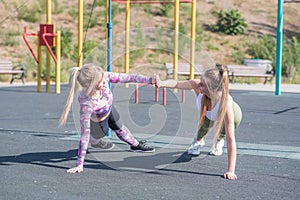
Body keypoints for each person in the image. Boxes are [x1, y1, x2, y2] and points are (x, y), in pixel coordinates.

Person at [60, 63, 156, 174]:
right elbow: (84, 135)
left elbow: (128, 77)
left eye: (104, 80)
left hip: (109, 110)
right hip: (98, 122)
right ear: (90, 86)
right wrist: (79, 164)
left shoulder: (102, 76)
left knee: (120, 128)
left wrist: (149, 80)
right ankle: (95, 142)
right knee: (98, 136)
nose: (105, 83)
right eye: (101, 83)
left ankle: (136, 145)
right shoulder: (87, 104)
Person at [155, 64, 242, 180]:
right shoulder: (198, 87)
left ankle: (218, 141)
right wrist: (162, 83)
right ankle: (199, 141)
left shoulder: (226, 106)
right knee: (204, 127)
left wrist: (231, 171)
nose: (199, 86)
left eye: (202, 85)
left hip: (235, 115)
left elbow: (231, 141)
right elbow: (177, 84)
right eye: (200, 82)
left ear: (212, 89)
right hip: (209, 113)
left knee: (223, 132)